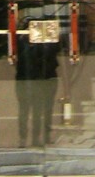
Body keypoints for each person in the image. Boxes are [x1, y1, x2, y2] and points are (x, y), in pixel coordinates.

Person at [15, 8, 61, 146]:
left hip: (42, 79)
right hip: (27, 79)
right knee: (26, 109)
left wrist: (49, 35)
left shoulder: (45, 44)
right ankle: (24, 138)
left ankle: (38, 137)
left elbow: (54, 51)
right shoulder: (21, 42)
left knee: (40, 110)